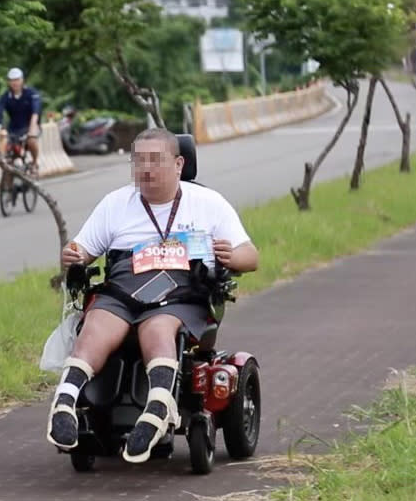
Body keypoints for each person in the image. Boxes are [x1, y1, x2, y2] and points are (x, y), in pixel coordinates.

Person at [46, 128, 259, 463]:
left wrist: (232, 257)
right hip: (123, 288)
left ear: (178, 164)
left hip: (181, 292)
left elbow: (251, 255)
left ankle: (159, 407)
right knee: (96, 323)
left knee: (158, 327)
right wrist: (73, 255)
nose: (146, 169)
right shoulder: (116, 203)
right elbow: (80, 248)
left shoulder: (207, 203)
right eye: (139, 161)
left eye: (155, 161)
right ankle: (65, 401)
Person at [0, 67, 42, 174]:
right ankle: (7, 184)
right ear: (8, 82)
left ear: (22, 80)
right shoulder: (6, 96)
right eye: (12, 80)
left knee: (31, 140)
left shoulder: (31, 94)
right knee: (4, 152)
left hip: (30, 127)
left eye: (17, 80)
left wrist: (32, 129)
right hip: (13, 129)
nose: (14, 83)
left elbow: (35, 112)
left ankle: (35, 163)